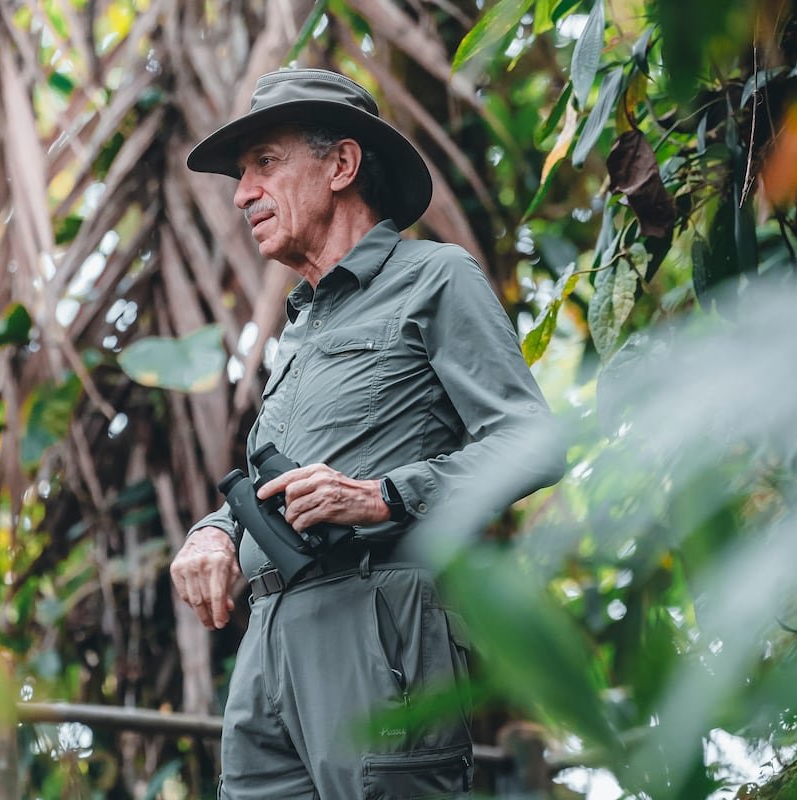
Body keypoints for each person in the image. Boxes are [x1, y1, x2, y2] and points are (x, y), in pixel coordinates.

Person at [170, 68, 566, 799]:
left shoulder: (436, 277)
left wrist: (386, 496)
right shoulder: (299, 327)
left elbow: (530, 442)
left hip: (377, 624)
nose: (241, 193)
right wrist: (215, 532)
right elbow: (271, 483)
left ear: (342, 165)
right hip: (268, 642)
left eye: (265, 164)